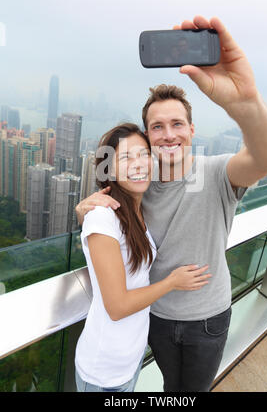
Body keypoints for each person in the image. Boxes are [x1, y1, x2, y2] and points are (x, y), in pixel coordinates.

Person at [76, 15, 267, 392]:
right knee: (170, 388)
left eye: (177, 124)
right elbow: (111, 220)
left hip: (207, 320)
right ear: (148, 137)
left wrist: (246, 102)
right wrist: (84, 211)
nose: (168, 134)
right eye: (157, 127)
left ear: (192, 129)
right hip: (154, 317)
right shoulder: (139, 183)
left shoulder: (217, 173)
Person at [74, 123, 210, 393]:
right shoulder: (103, 217)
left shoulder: (139, 210)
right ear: (109, 170)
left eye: (143, 154)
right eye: (125, 158)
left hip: (130, 359)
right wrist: (172, 282)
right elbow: (117, 306)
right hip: (103, 372)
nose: (138, 164)